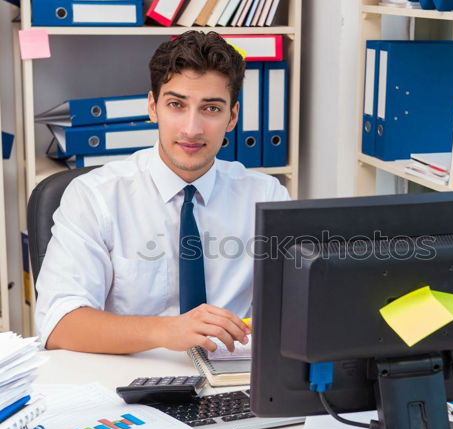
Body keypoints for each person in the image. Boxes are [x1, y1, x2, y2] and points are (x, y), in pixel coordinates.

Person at [35, 31, 290, 355]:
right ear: (153, 107)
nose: (191, 129)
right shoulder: (94, 197)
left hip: (230, 378)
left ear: (233, 117)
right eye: (176, 105)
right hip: (129, 381)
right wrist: (166, 330)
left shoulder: (265, 197)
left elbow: (299, 304)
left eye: (211, 109)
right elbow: (59, 324)